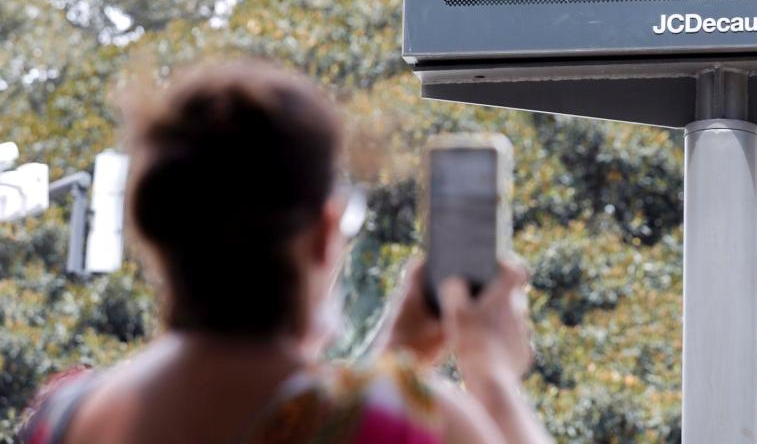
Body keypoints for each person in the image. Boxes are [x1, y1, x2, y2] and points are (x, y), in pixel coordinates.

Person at [19, 62, 553, 444]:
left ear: (152, 229)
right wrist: (490, 375)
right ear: (325, 233)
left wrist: (396, 362)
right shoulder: (407, 419)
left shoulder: (63, 416)